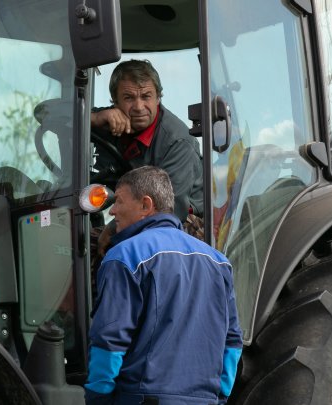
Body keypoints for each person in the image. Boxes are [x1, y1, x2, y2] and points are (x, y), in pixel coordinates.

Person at [85, 166, 243, 405]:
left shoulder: (125, 256)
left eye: (119, 201)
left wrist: (99, 398)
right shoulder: (218, 262)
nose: (113, 211)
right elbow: (232, 341)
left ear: (146, 205)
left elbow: (110, 340)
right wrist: (219, 396)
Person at [91, 59, 203, 222]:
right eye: (129, 98)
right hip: (129, 212)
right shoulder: (106, 120)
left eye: (146, 97)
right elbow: (45, 113)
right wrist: (94, 118)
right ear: (115, 101)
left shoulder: (177, 142)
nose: (138, 106)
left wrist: (113, 230)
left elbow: (169, 211)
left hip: (180, 223)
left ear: (158, 98)